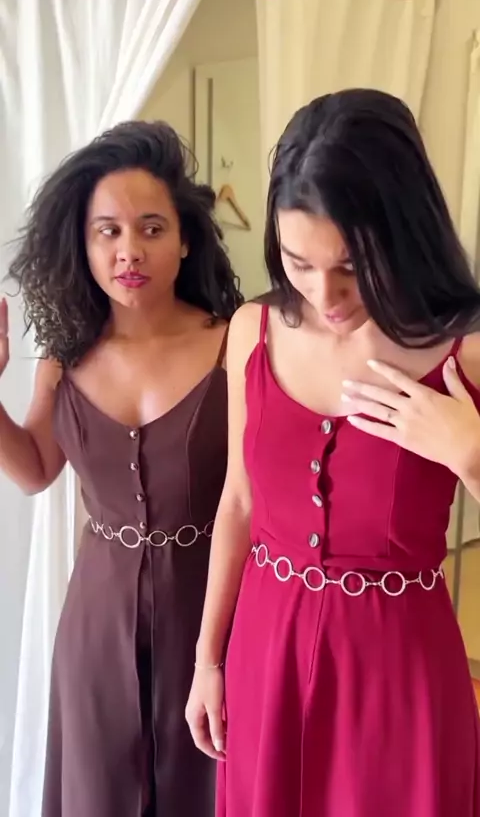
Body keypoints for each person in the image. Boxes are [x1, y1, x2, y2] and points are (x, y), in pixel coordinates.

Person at [186, 88, 480, 817]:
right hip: (265, 652)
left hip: (400, 673)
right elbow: (238, 502)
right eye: (299, 263)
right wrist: (207, 659)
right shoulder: (252, 331)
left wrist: (469, 452)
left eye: (353, 265)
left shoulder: (466, 347)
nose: (326, 294)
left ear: (404, 231)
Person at [3, 120, 243, 817]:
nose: (128, 250)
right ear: (82, 244)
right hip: (95, 626)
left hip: (211, 619)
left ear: (186, 239)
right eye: (106, 231)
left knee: (206, 788)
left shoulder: (235, 344)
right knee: (97, 793)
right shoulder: (64, 358)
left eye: (150, 228)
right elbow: (35, 468)